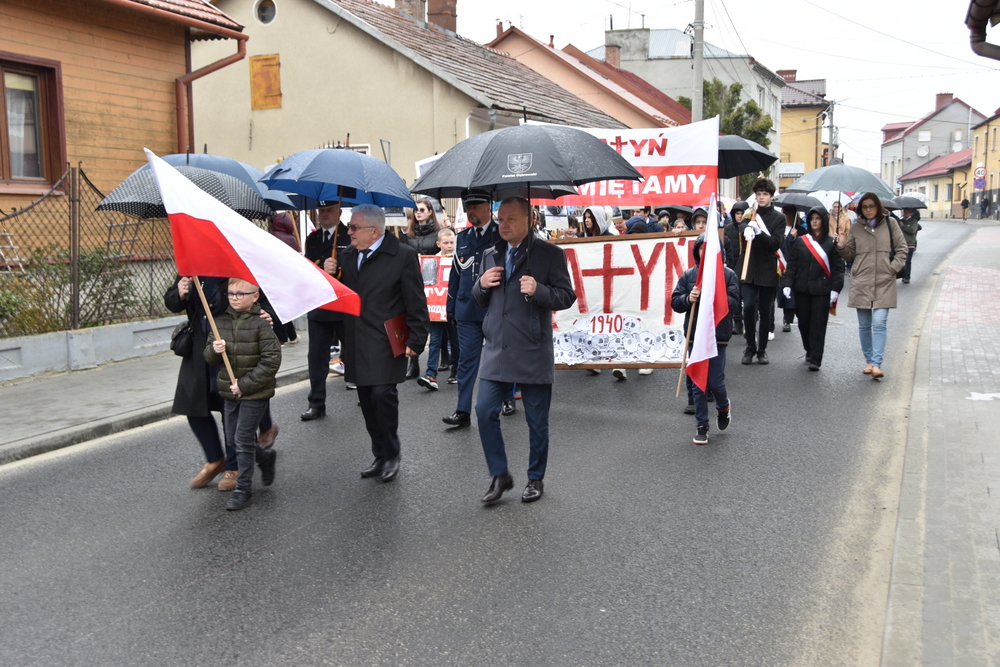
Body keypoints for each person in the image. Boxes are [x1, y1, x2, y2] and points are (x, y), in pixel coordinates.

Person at [473, 196, 576, 503]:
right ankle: (500, 474)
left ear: (529, 220)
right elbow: (479, 299)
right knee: (484, 410)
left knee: (536, 420)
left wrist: (539, 290)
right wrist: (481, 284)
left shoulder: (550, 254)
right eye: (500, 219)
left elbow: (566, 296)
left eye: (511, 219)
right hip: (497, 348)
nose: (503, 225)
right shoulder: (490, 254)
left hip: (532, 348)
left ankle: (535, 477)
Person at [327, 205, 429, 481]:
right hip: (356, 338)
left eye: (354, 227)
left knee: (383, 395)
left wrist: (417, 338)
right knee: (366, 400)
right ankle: (380, 453)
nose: (349, 232)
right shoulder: (347, 255)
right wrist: (330, 273)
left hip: (385, 338)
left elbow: (416, 300)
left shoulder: (402, 255)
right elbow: (337, 295)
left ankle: (392, 453)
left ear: (374, 231)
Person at [203, 279, 280, 511]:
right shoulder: (220, 322)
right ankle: (264, 458)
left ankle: (243, 489)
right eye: (230, 294)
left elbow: (271, 360)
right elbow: (209, 357)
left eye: (240, 294)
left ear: (255, 296)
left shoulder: (262, 324)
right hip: (229, 392)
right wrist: (214, 351)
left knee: (243, 438)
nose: (234, 298)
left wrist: (245, 385)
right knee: (232, 439)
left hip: (255, 393)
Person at [671, 235, 739, 446]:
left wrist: (715, 295)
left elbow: (734, 303)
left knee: (715, 382)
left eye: (710, 248)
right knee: (697, 382)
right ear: (697, 252)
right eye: (702, 248)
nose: (705, 252)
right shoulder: (689, 275)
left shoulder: (728, 275)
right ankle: (702, 426)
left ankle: (723, 407)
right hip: (695, 336)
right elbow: (675, 301)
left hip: (718, 335)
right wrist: (688, 299)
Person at [443, 190, 502, 427]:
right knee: (466, 360)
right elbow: (456, 273)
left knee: (500, 358)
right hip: (467, 308)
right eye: (468, 207)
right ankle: (463, 410)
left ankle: (507, 397)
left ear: (488, 207)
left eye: (475, 206)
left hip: (494, 308)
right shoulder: (462, 237)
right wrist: (450, 306)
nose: (471, 211)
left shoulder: (501, 233)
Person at [839, 193, 908, 380]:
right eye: (865, 207)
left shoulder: (890, 223)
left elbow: (902, 249)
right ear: (860, 209)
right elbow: (849, 255)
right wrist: (841, 245)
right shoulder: (856, 227)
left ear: (878, 206)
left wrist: (892, 269)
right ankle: (869, 361)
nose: (868, 210)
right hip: (861, 280)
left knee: (879, 322)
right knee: (864, 325)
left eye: (872, 206)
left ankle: (877, 364)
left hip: (884, 280)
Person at [301, 201, 350, 421]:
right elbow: (308, 269)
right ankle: (316, 402)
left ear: (339, 211)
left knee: (354, 352)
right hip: (320, 304)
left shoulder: (349, 235)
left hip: (343, 304)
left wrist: (338, 268)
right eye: (321, 211)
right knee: (317, 357)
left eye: (329, 210)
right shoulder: (313, 238)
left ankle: (366, 391)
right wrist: (320, 268)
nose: (325, 214)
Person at [780, 207, 845, 371]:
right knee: (803, 324)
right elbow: (792, 265)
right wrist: (787, 284)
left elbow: (838, 269)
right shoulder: (801, 241)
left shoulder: (831, 243)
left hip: (821, 290)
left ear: (823, 220)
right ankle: (809, 350)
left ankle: (816, 358)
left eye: (818, 218)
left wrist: (835, 289)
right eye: (812, 219)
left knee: (818, 325)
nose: (815, 221)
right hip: (802, 289)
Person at [737, 179, 786, 365]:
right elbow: (741, 224)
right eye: (759, 194)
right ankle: (750, 347)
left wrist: (759, 232)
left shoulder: (779, 218)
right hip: (749, 268)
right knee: (749, 307)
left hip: (768, 269)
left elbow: (775, 243)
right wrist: (746, 229)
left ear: (771, 196)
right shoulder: (751, 214)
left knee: (765, 311)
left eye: (765, 194)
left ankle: (762, 349)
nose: (762, 197)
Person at [418, 228, 459, 390]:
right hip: (437, 309)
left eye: (452, 243)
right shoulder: (432, 261)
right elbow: (428, 284)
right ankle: (430, 374)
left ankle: (455, 369)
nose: (449, 246)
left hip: (453, 308)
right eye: (446, 243)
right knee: (434, 340)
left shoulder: (459, 259)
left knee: (455, 341)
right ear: (438, 244)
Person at [777, 204, 804, 333]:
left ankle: (788, 319)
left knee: (792, 294)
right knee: (783, 292)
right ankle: (785, 318)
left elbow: (803, 247)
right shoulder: (779, 228)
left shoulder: (800, 230)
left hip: (795, 266)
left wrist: (794, 238)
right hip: (781, 264)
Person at [898, 208, 922, 284]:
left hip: (910, 244)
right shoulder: (901, 220)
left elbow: (912, 230)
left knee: (907, 261)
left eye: (907, 212)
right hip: (901, 243)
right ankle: (903, 275)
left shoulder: (913, 221)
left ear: (910, 213)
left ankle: (907, 276)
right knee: (902, 261)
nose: (905, 213)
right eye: (904, 212)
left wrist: (902, 226)